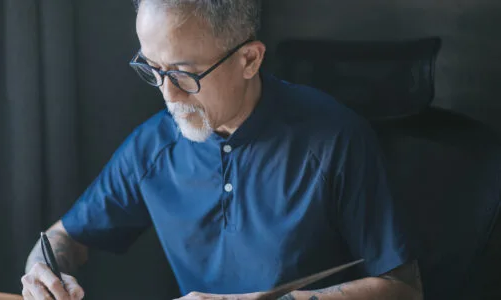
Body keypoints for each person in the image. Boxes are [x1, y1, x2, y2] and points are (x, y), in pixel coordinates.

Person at [21, 0, 423, 299]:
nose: (168, 94)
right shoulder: (154, 146)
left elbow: (404, 289)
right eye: (152, 69)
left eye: (183, 73)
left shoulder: (334, 140)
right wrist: (43, 270)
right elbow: (63, 238)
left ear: (249, 59)